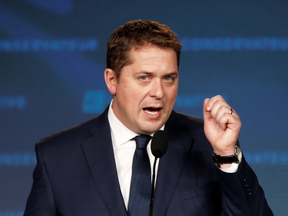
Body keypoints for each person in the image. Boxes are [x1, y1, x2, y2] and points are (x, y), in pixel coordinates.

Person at [24, 20, 273, 216]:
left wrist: (227, 154)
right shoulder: (57, 155)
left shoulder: (210, 144)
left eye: (169, 78)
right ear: (112, 80)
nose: (158, 92)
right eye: (144, 77)